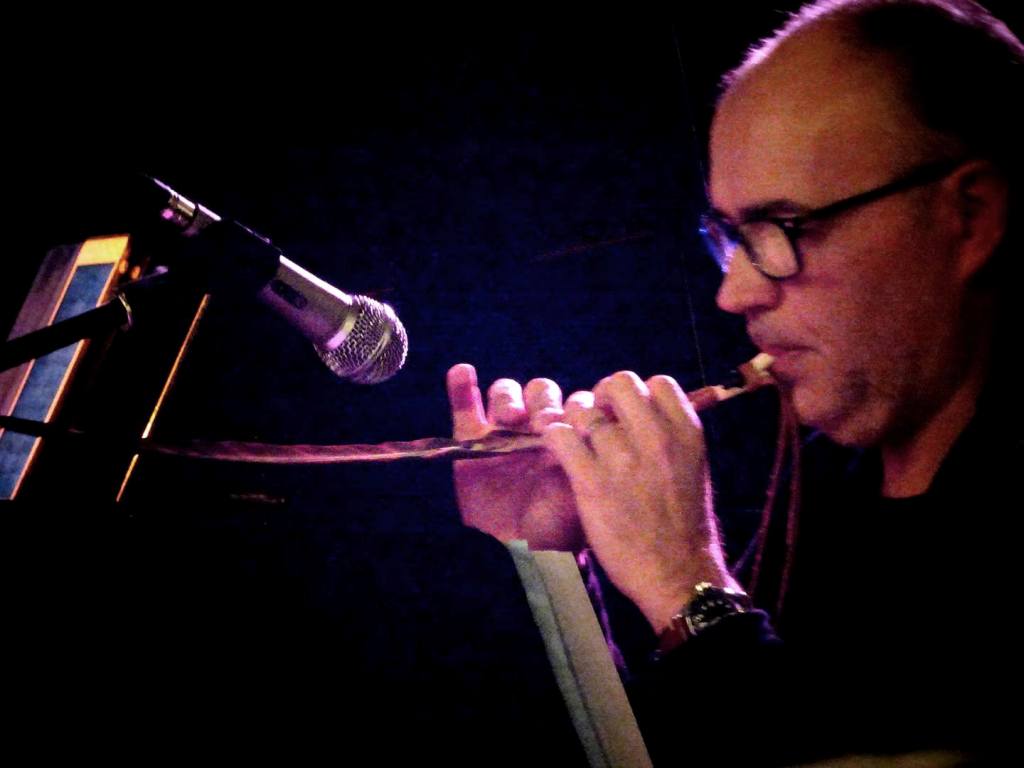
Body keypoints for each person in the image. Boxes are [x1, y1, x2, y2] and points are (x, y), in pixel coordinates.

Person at [447, 0, 1022, 764]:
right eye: (728, 237)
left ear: (969, 218)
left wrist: (687, 586)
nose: (734, 293)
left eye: (782, 229)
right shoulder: (825, 486)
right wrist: (543, 561)